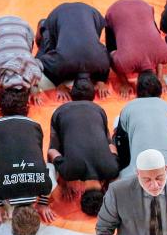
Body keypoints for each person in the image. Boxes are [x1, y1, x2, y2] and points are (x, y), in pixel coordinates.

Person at [0, 91, 56, 235]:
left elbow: (51, 168)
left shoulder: (46, 186)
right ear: (11, 215)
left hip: (9, 133)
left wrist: (44, 203)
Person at [47, 85, 120, 216]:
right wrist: (62, 181)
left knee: (105, 140)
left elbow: (112, 147)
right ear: (81, 195)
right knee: (57, 150)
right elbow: (52, 152)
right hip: (61, 112)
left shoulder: (112, 170)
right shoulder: (69, 172)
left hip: (96, 111)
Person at [114, 74, 167, 179]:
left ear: (137, 91)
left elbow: (120, 142)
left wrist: (125, 164)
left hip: (138, 172)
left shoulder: (128, 108)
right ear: (159, 90)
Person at [36, 2, 111, 100]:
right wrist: (59, 85)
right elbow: (41, 61)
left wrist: (101, 81)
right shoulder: (63, 62)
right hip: (60, 14)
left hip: (89, 12)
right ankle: (43, 24)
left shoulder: (102, 62)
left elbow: (106, 64)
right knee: (46, 49)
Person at [105, 0, 167, 96]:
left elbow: (159, 58)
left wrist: (160, 77)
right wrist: (124, 83)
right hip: (115, 11)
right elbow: (111, 57)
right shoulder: (125, 63)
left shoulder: (165, 54)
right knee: (110, 49)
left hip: (144, 6)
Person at [0, 15, 43, 104]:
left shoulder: (34, 73)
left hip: (16, 26)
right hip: (3, 26)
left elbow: (38, 63)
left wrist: (34, 87)